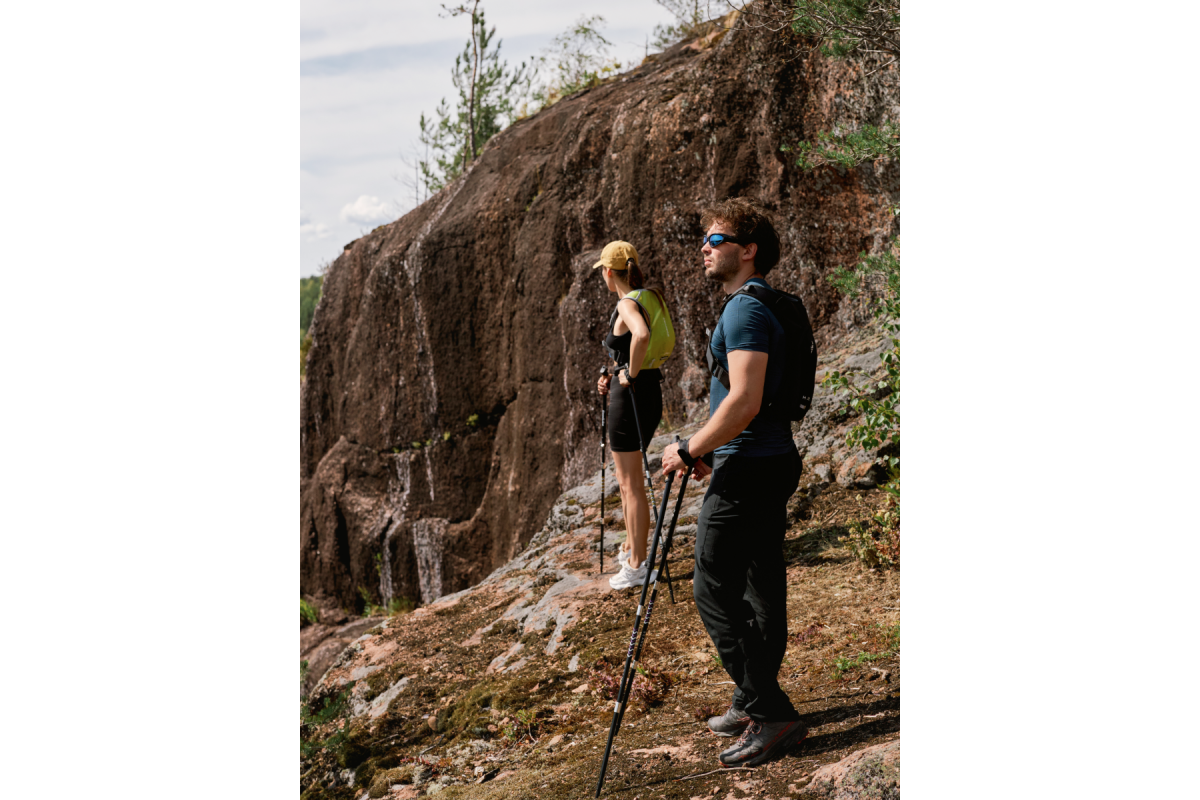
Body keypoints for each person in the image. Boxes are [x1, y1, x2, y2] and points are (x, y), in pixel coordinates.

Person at [660, 198, 807, 767]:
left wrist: (689, 448)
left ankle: (772, 713)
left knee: (713, 589)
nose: (705, 247)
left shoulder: (745, 310)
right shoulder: (769, 304)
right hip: (768, 458)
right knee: (760, 586)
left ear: (748, 250)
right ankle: (752, 699)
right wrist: (712, 448)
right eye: (706, 239)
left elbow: (744, 399)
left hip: (749, 466)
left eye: (716, 239)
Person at [594, 240, 673, 591]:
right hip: (650, 392)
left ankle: (638, 565)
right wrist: (615, 372)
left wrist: (629, 374)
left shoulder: (626, 303)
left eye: (602, 272)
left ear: (609, 272)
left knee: (630, 484)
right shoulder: (651, 296)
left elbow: (640, 335)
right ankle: (630, 546)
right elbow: (634, 345)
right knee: (629, 479)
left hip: (631, 398)